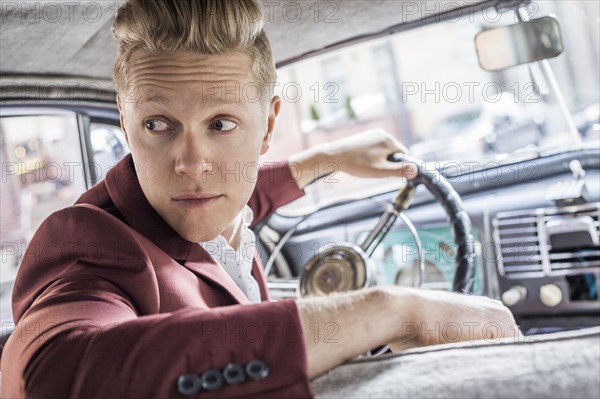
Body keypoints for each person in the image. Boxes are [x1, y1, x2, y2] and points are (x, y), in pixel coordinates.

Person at [0, 1, 518, 398]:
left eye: (221, 124)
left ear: (268, 125)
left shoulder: (212, 208)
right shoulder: (87, 243)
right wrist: (391, 310)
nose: (191, 163)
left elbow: (251, 195)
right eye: (158, 125)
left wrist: (328, 158)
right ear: (125, 124)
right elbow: (53, 375)